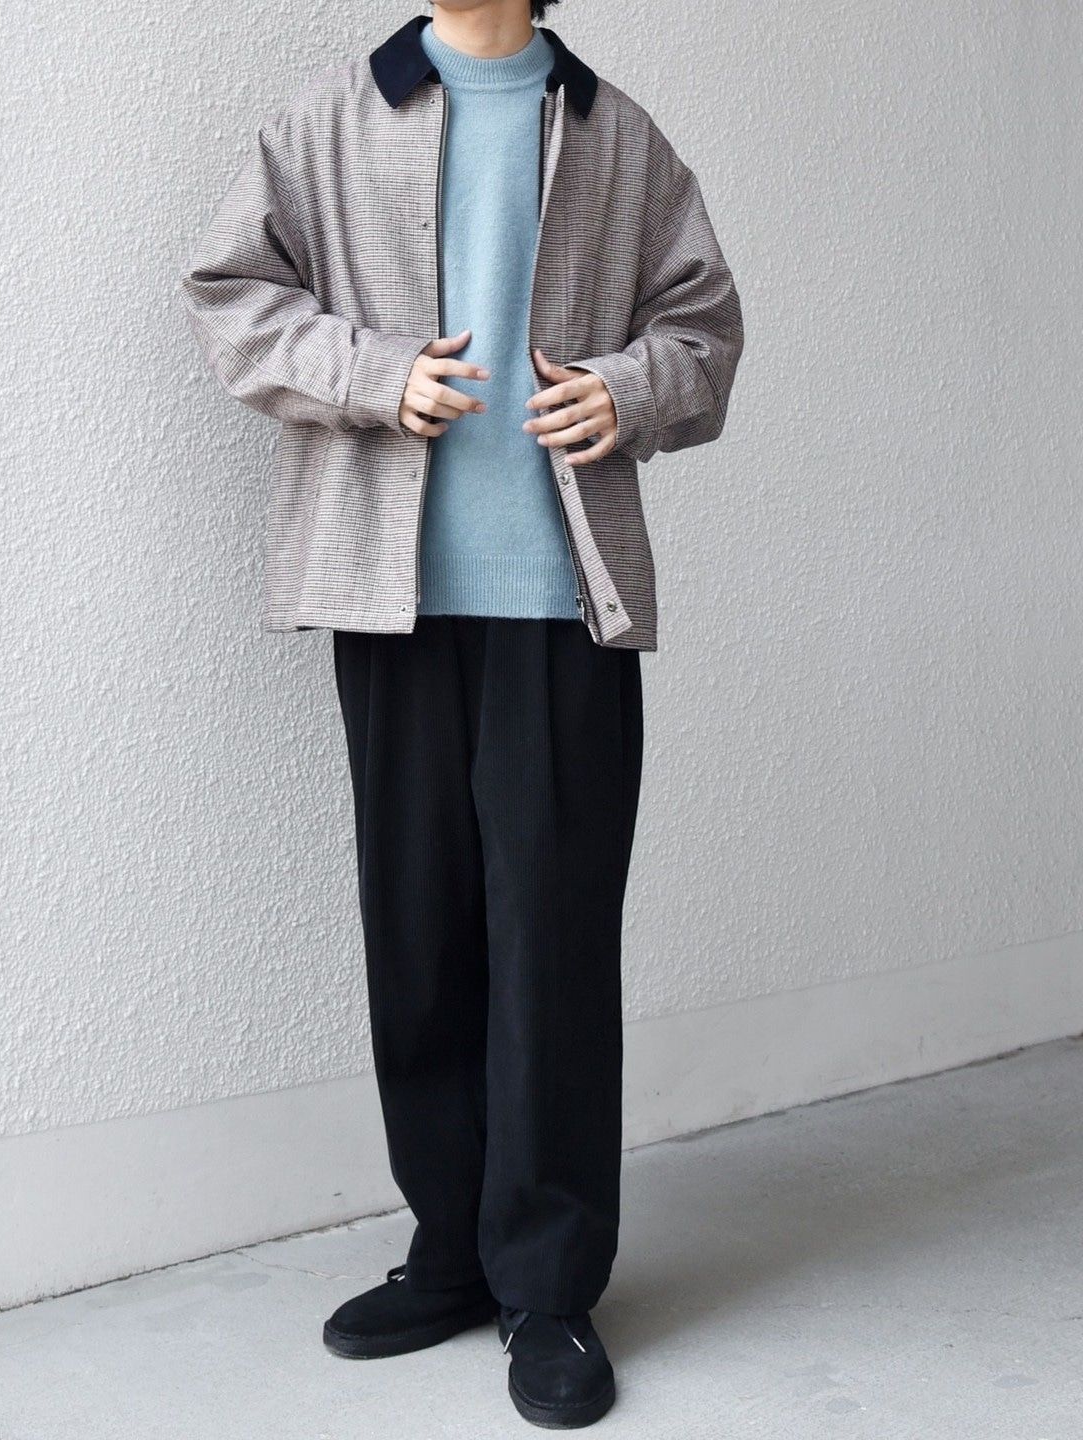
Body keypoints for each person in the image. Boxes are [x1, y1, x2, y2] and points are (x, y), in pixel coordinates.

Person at [178, 0, 743, 1426]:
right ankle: (451, 1248)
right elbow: (231, 294)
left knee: (551, 942)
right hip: (392, 600)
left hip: (564, 603)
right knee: (420, 932)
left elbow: (704, 326)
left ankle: (547, 1286)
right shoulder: (329, 120)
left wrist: (628, 391)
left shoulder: (617, 135)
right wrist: (376, 376)